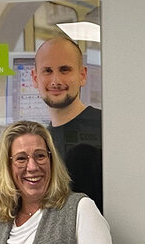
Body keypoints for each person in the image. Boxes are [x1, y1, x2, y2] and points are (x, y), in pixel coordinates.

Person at [33, 36, 103, 212]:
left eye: (65, 70)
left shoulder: (106, 128)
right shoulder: (42, 141)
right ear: (35, 78)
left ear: (82, 75)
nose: (56, 80)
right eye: (47, 71)